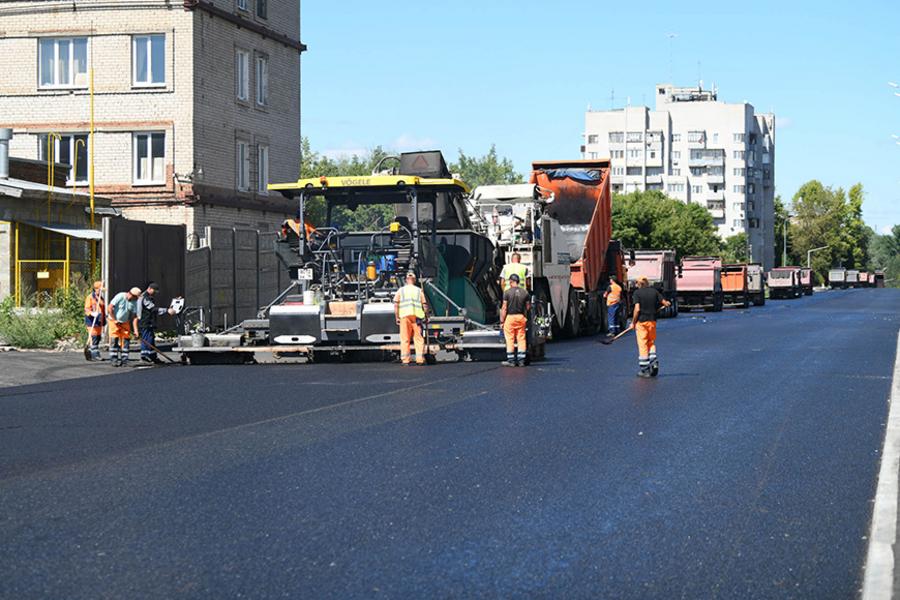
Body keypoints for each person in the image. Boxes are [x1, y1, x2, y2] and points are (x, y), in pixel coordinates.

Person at [629, 276, 671, 378]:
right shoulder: (654, 292)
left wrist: (633, 322)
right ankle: (654, 361)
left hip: (641, 322)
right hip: (652, 321)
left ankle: (645, 370)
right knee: (651, 342)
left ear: (638, 284)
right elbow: (665, 303)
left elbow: (637, 309)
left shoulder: (637, 293)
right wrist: (666, 304)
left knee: (643, 344)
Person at [393, 272, 429, 365]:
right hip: (417, 317)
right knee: (418, 338)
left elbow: (396, 304)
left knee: (405, 338)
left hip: (404, 317)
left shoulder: (401, 290)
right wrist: (426, 316)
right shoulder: (419, 290)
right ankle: (420, 360)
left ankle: (405, 360)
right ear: (415, 280)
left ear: (406, 280)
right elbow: (424, 305)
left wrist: (397, 317)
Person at [138, 282, 177, 364]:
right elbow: (153, 309)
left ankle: (152, 356)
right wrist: (167, 310)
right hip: (145, 322)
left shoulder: (149, 297)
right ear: (150, 289)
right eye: (154, 291)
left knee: (151, 339)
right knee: (146, 339)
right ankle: (145, 356)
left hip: (150, 321)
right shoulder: (145, 298)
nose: (155, 293)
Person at [500, 273, 530, 367]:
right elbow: (528, 307)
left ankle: (511, 360)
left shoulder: (507, 292)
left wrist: (502, 321)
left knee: (510, 339)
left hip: (510, 317)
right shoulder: (525, 292)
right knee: (521, 338)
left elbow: (504, 307)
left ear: (511, 281)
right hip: (521, 317)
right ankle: (521, 360)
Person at [107, 287, 141, 367]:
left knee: (126, 340)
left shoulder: (134, 302)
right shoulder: (120, 296)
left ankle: (125, 360)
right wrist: (114, 319)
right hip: (114, 322)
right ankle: (114, 359)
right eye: (135, 297)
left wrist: (136, 330)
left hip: (125, 322)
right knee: (114, 339)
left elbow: (135, 317)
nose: (136, 299)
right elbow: (110, 307)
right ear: (130, 294)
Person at [83, 281, 106, 361]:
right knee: (94, 337)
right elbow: (86, 309)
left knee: (98, 337)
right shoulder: (90, 297)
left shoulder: (101, 298)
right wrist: (92, 313)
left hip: (99, 321)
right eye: (100, 289)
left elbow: (103, 309)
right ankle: (94, 354)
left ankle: (94, 352)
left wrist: (103, 321)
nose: (101, 291)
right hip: (92, 321)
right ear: (96, 289)